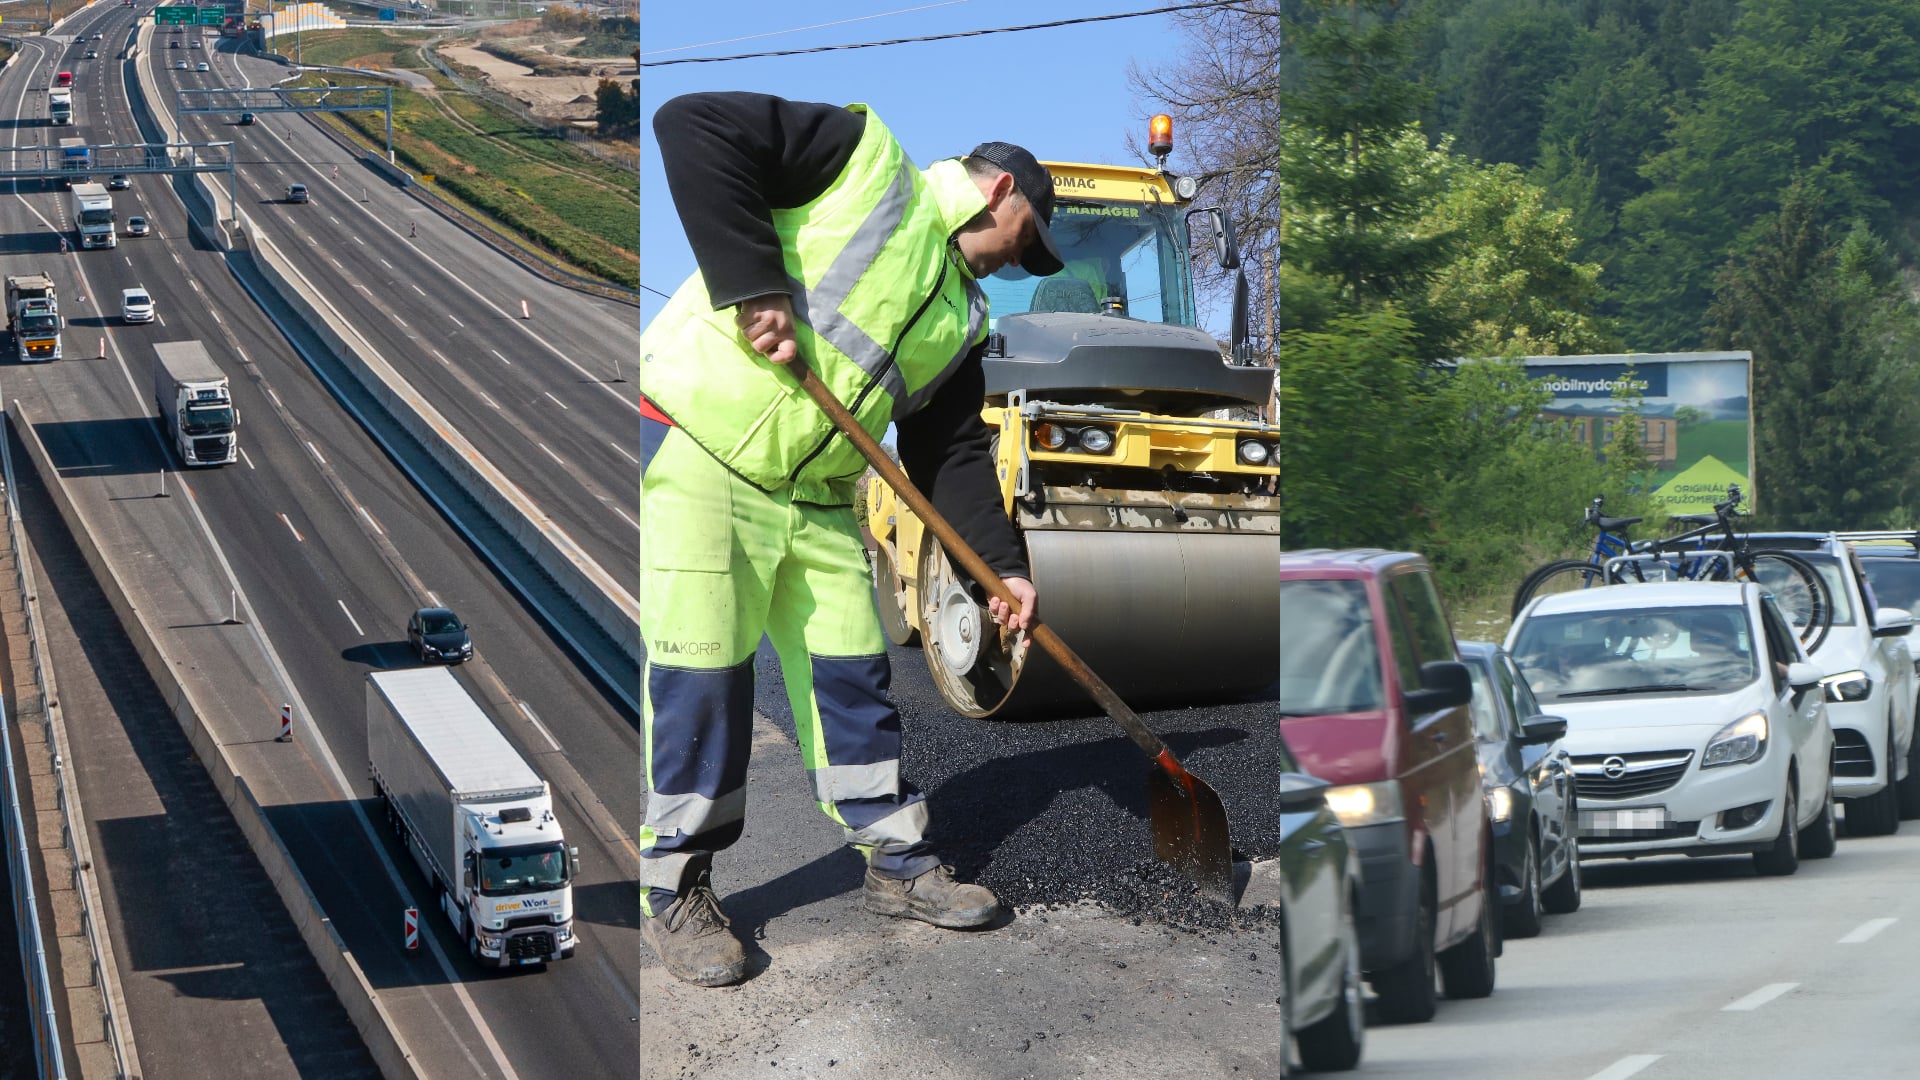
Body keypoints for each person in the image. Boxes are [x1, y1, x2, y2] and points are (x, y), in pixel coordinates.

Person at [639, 91, 1062, 988]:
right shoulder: (865, 162)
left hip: (822, 497)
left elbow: (950, 454)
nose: (1023, 264)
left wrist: (1002, 569)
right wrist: (754, 282)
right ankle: (678, 889)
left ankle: (897, 866)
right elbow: (690, 124)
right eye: (1028, 239)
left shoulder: (961, 317)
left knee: (854, 679)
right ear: (1002, 191)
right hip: (706, 453)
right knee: (703, 679)